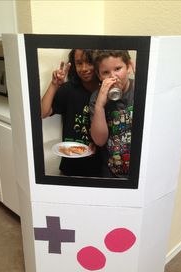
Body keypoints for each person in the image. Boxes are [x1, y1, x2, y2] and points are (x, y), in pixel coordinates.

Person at [41, 49, 102, 177]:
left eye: (89, 62)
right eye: (79, 63)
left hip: (100, 167)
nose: (84, 68)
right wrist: (54, 85)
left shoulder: (106, 91)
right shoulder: (69, 89)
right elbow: (42, 112)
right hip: (70, 165)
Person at [89, 50, 134, 178]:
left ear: (129, 67)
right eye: (106, 72)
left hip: (138, 173)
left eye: (118, 68)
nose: (113, 77)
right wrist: (100, 105)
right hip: (111, 173)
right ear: (99, 75)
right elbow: (99, 140)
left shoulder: (139, 90)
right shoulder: (96, 97)